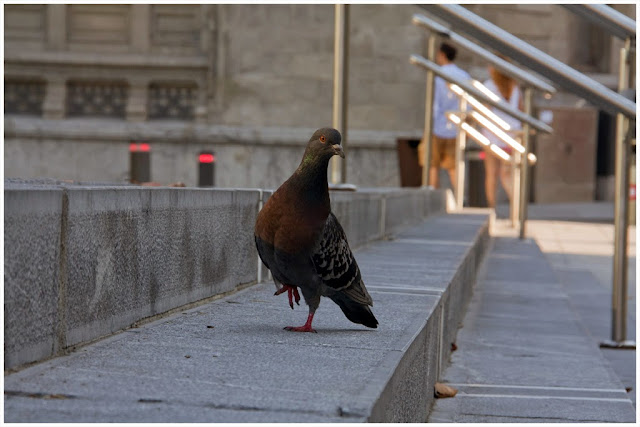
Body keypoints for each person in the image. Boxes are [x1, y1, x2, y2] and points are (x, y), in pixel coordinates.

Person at [418, 42, 470, 191]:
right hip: (456, 126)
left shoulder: (438, 74)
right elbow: (468, 104)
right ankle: (461, 199)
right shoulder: (464, 76)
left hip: (437, 125)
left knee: (432, 164)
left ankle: (433, 197)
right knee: (453, 166)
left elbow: (435, 103)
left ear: (442, 54)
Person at [480, 63, 523, 208]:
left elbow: (485, 109)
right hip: (512, 134)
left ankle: (491, 210)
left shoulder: (488, 85)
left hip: (493, 134)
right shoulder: (514, 86)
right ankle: (516, 208)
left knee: (491, 174)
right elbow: (520, 109)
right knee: (508, 175)